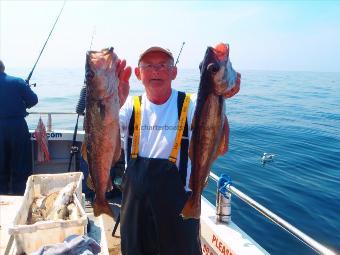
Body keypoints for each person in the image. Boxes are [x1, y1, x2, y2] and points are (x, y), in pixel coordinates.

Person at [116, 46, 240, 255]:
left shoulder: (192, 104)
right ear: (138, 73)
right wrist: (112, 102)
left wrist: (225, 89)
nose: (156, 71)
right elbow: (104, 138)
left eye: (163, 65)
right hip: (135, 205)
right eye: (149, 66)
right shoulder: (128, 106)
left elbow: (220, 139)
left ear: (174, 72)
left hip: (181, 203)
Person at [0, 60, 38, 195]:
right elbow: (33, 100)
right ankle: (19, 197)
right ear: (3, 68)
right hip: (17, 127)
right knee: (20, 165)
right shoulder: (18, 82)